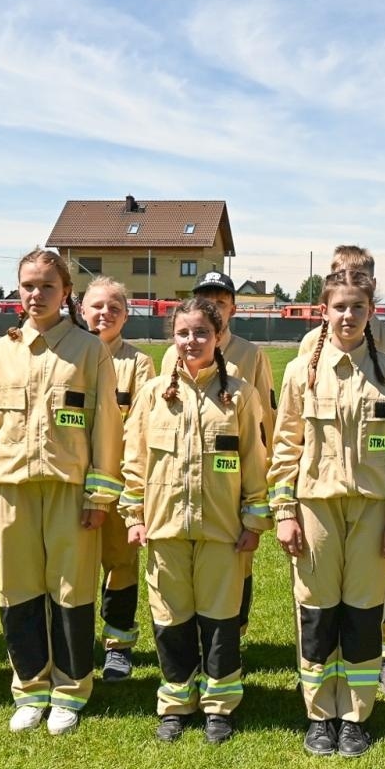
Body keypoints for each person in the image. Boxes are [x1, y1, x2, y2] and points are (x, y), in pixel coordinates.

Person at [0, 250, 122, 735]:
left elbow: (106, 428)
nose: (36, 295)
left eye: (46, 287)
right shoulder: (0, 352)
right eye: (28, 285)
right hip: (13, 489)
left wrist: (99, 496)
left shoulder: (88, 349)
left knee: (71, 593)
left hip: (69, 492)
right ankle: (30, 689)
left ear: (66, 293)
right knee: (19, 592)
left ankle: (70, 691)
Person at [270, 269, 385, 758]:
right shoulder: (300, 372)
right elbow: (286, 446)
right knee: (316, 611)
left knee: (362, 613)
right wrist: (284, 510)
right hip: (315, 508)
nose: (348, 315)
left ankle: (353, 716)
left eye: (357, 307)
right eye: (339, 307)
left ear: (370, 313)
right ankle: (318, 715)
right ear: (323, 312)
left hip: (372, 510)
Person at [120, 297, 269, 744]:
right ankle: (176, 702)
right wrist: (134, 515)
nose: (192, 341)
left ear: (218, 336)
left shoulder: (239, 395)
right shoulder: (153, 395)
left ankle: (219, 706)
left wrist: (253, 519)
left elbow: (254, 462)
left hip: (221, 531)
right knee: (171, 619)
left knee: (220, 619)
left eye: (201, 332)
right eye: (183, 333)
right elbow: (135, 460)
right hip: (165, 529)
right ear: (173, 337)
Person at [297, 246, 385, 698]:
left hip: (373, 492)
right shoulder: (309, 351)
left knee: (374, 588)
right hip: (322, 495)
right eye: (339, 281)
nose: (348, 311)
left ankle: (383, 663)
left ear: (371, 292)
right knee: (319, 598)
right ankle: (319, 679)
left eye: (360, 281)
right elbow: (294, 434)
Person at [160, 271, 275, 666]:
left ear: (228, 313)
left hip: (226, 496)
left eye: (221, 300)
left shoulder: (250, 358)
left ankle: (229, 644)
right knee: (177, 597)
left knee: (230, 581)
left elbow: (260, 426)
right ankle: (186, 668)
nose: (192, 341)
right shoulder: (168, 367)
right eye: (206, 297)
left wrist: (256, 503)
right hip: (175, 505)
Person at [81, 276, 156, 682]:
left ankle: (118, 646)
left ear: (126, 315)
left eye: (114, 307)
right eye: (97, 305)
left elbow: (139, 427)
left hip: (117, 485)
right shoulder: (69, 355)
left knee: (121, 565)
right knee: (71, 566)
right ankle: (73, 642)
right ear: (81, 310)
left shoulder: (138, 364)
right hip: (70, 486)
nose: (104, 313)